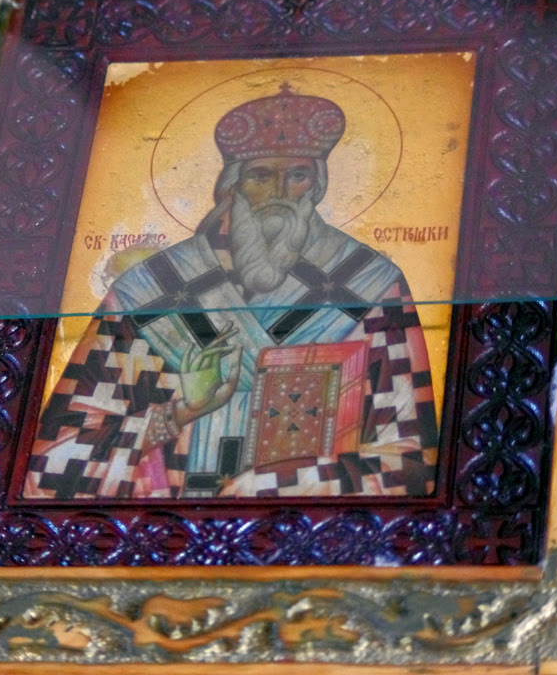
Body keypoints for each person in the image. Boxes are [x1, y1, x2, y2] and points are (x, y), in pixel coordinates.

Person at [24, 84, 438, 500]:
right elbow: (48, 467)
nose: (279, 193)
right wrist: (179, 413)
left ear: (316, 185)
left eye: (298, 175)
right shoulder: (150, 291)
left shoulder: (367, 284)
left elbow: (410, 462)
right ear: (232, 185)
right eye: (261, 175)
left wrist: (269, 488)